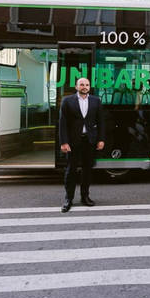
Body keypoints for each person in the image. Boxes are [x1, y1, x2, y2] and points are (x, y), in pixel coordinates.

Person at [59, 77, 105, 213]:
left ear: (89, 87)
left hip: (89, 141)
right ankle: (68, 199)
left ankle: (85, 197)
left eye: (87, 84)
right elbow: (63, 123)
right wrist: (64, 142)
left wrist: (101, 139)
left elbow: (101, 121)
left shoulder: (96, 101)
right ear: (76, 86)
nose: (84, 87)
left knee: (87, 170)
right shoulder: (67, 101)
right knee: (71, 170)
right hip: (73, 141)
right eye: (82, 84)